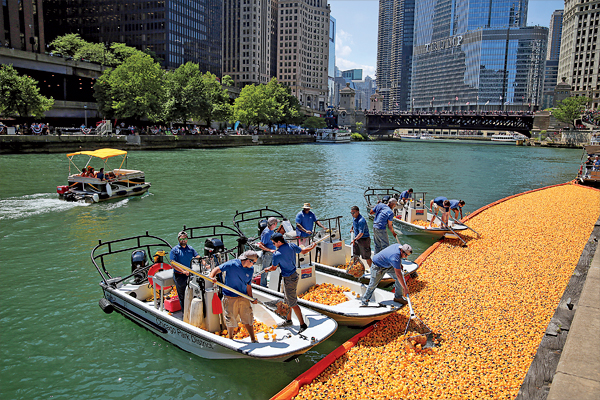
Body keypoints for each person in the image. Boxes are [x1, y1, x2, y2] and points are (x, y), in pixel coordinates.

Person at [264, 232, 317, 333]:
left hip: (289, 279)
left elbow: (273, 268)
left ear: (279, 242)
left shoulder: (277, 254)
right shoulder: (291, 245)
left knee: (292, 303)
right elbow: (304, 251)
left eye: (274, 243)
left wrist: (267, 269)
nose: (273, 245)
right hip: (293, 276)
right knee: (286, 300)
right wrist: (312, 247)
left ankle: (302, 324)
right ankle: (288, 320)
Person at [209, 250, 259, 342]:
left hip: (243, 297)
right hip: (229, 297)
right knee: (230, 319)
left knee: (248, 318)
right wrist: (212, 276)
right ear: (248, 260)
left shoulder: (250, 269)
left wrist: (251, 298)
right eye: (254, 262)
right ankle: (231, 339)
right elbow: (216, 269)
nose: (254, 265)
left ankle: (253, 339)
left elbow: (248, 285)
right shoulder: (232, 264)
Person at [169, 231, 200, 310]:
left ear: (187, 239)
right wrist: (183, 271)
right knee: (182, 295)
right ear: (178, 239)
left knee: (193, 292)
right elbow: (173, 264)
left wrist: (205, 263)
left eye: (185, 238)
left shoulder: (190, 248)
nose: (183, 240)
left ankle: (192, 311)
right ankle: (184, 313)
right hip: (180, 276)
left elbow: (197, 256)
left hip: (190, 274)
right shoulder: (174, 250)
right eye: (181, 239)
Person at [256, 217, 279, 287]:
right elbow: (260, 245)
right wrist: (270, 250)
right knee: (265, 270)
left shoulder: (271, 230)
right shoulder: (266, 233)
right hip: (268, 255)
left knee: (274, 268)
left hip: (273, 253)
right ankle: (263, 286)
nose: (277, 224)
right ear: (273, 224)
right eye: (276, 223)